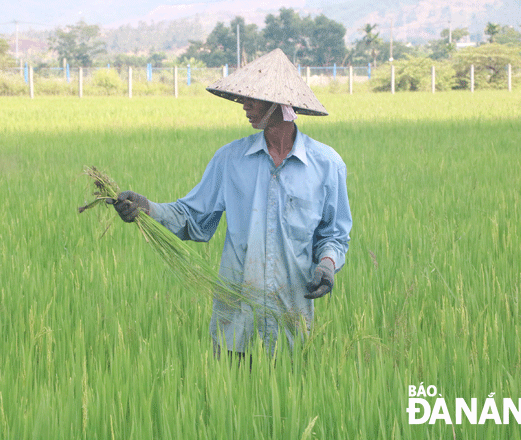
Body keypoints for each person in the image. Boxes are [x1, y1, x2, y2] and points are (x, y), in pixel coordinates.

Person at [113, 49, 352, 359]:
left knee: (288, 404)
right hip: (234, 326)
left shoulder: (327, 165)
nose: (245, 105)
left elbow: (333, 234)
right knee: (231, 402)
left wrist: (327, 266)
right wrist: (148, 209)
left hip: (291, 325)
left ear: (280, 104)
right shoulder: (229, 160)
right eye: (243, 98)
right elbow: (193, 218)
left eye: (253, 98)